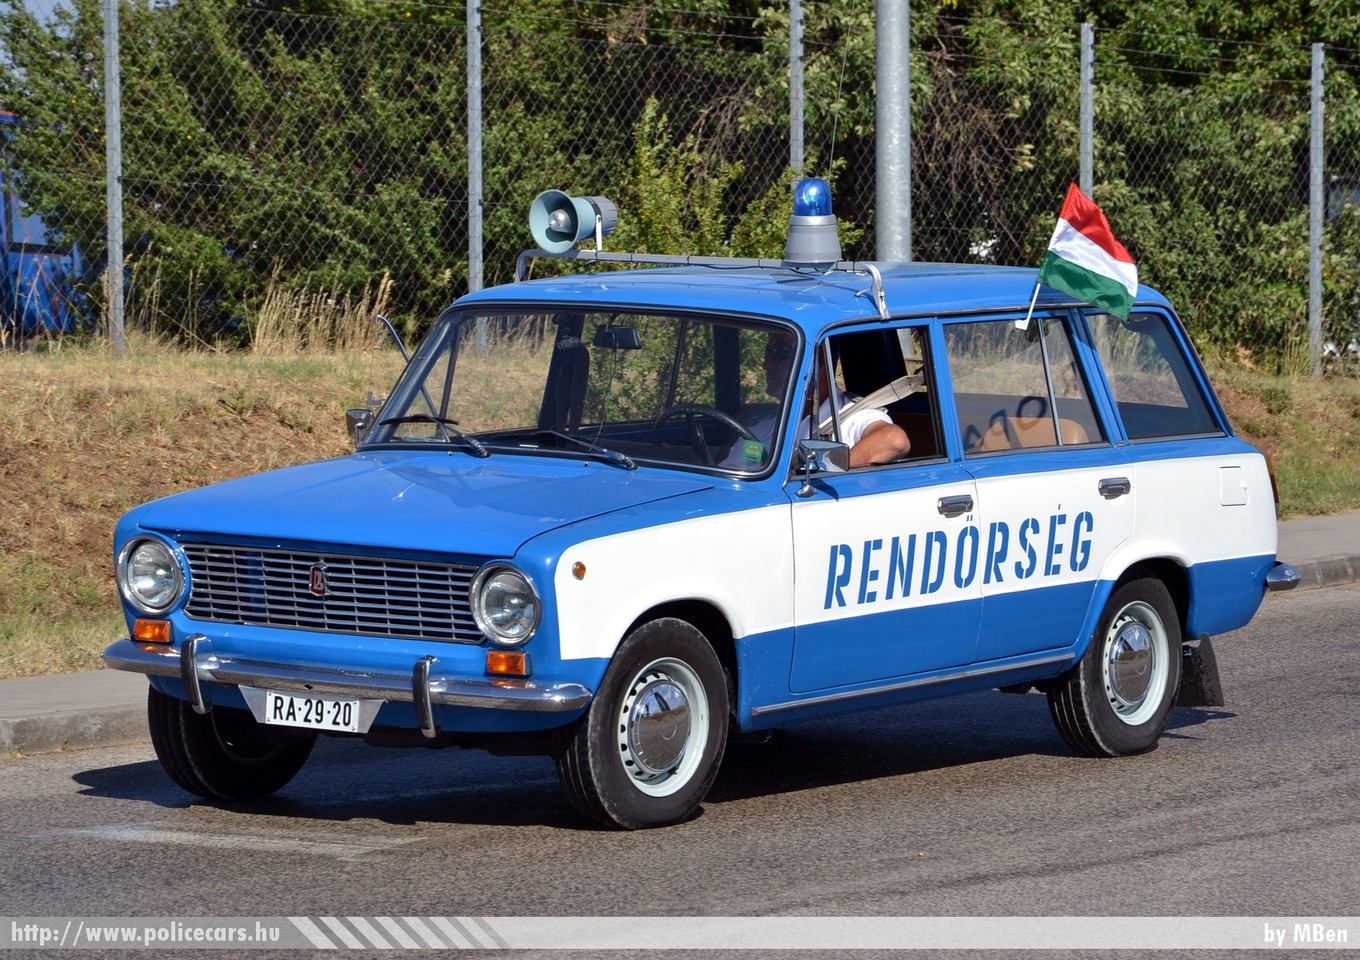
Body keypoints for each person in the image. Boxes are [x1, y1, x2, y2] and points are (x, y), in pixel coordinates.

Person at [726, 331, 909, 469]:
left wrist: (821, 466)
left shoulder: (854, 419)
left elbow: (894, 441)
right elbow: (730, 471)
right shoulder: (765, 426)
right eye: (768, 352)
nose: (767, 364)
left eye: (780, 353)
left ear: (819, 360)